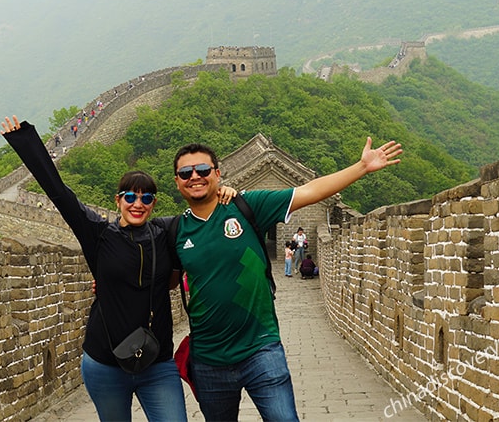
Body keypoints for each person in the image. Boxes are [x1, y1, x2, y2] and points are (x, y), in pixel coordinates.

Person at [0, 116, 237, 422]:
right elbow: (58, 192)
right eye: (130, 196)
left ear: (153, 204)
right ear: (118, 200)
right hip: (104, 363)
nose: (138, 203)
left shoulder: (167, 231)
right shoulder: (97, 234)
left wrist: (225, 193)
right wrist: (25, 142)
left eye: (146, 198)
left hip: (158, 362)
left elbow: (201, 212)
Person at [171, 136, 402, 421]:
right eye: (186, 173)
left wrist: (361, 167)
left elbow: (309, 191)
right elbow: (151, 266)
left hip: (261, 347)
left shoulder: (247, 206)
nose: (195, 177)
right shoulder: (175, 230)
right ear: (177, 181)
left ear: (217, 174)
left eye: (203, 170)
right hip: (208, 358)